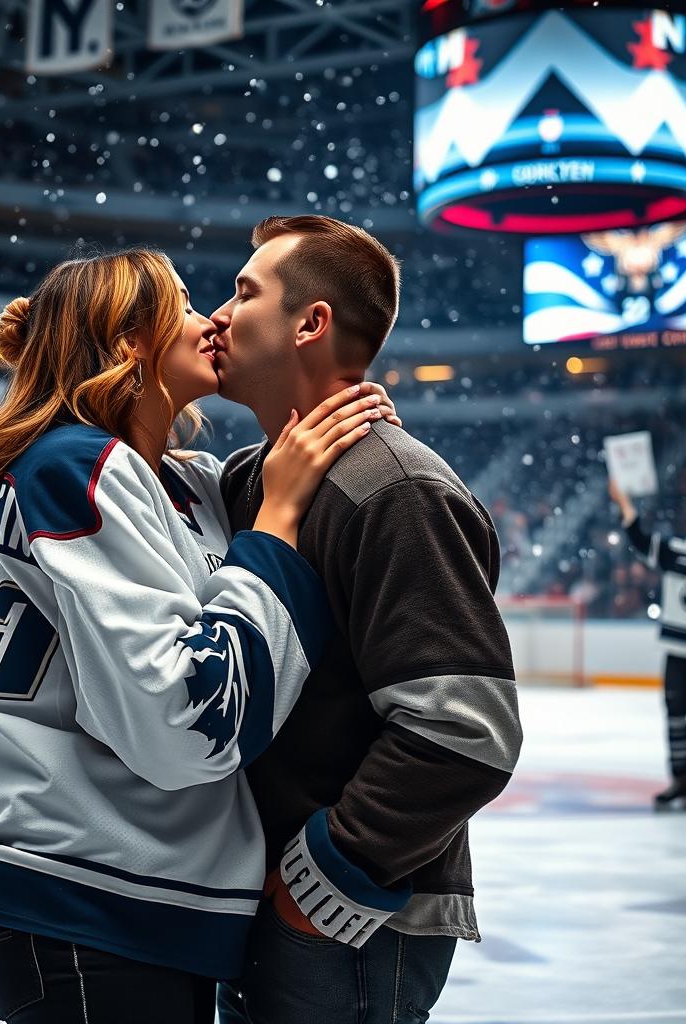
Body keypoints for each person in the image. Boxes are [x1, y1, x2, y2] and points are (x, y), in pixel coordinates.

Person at [0, 248, 398, 1024]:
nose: (211, 318)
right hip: (83, 897)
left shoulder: (176, 480)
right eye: (182, 303)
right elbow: (185, 724)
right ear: (127, 343)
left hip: (124, 899)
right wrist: (276, 524)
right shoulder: (79, 464)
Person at [211, 215, 522, 1024]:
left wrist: (317, 884)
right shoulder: (250, 480)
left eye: (244, 292)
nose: (217, 314)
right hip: (268, 905)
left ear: (311, 324)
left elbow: (465, 733)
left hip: (349, 927)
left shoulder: (396, 489)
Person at [609, 480, 686, 812]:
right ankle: (680, 782)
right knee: (675, 720)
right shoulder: (676, 553)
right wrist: (624, 501)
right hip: (678, 656)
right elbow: (639, 538)